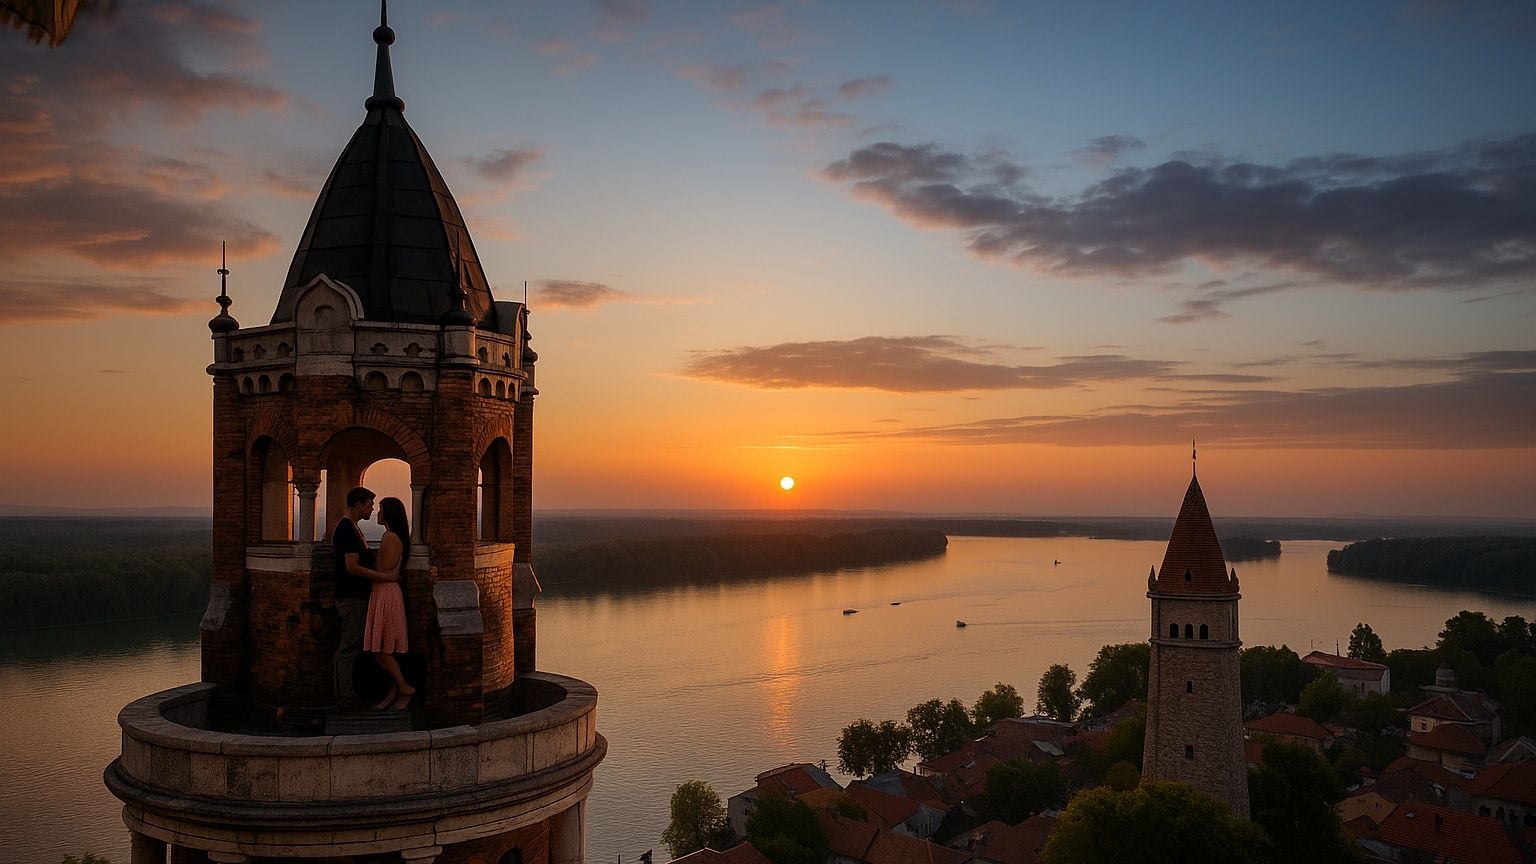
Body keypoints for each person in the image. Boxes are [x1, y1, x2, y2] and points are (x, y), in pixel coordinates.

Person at [333, 486, 394, 711]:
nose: (371, 509)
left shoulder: (351, 528)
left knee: (351, 647)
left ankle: (346, 695)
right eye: (369, 505)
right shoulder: (346, 530)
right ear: (358, 504)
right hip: (351, 598)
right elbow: (352, 567)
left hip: (353, 597)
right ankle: (346, 699)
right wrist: (384, 577)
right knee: (348, 648)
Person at [365, 496, 415, 710]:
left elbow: (382, 569)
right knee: (385, 650)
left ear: (388, 514)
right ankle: (392, 693)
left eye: (381, 510)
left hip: (386, 594)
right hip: (384, 591)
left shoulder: (390, 538)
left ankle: (404, 687)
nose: (377, 513)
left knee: (383, 651)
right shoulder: (394, 537)